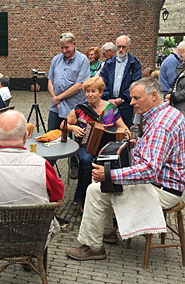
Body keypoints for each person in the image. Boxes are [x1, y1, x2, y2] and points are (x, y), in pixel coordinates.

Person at [66, 78, 185, 261]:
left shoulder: (161, 125)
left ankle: (94, 247)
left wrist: (109, 174)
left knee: (95, 188)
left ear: (154, 95)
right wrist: (137, 143)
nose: (131, 103)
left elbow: (149, 170)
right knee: (104, 183)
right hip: (165, 184)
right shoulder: (168, 113)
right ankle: (107, 232)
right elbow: (158, 151)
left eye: (136, 98)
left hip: (160, 190)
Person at [0, 110, 64, 274]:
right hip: (34, 237)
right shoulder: (42, 165)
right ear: (26, 136)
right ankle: (29, 257)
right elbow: (58, 196)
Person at [66, 77, 129, 213]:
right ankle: (83, 199)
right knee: (87, 160)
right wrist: (73, 128)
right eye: (87, 91)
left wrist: (126, 132)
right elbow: (64, 125)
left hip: (107, 147)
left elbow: (123, 127)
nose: (89, 94)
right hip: (86, 146)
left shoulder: (111, 109)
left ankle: (111, 198)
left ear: (101, 93)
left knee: (115, 160)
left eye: (93, 91)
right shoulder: (80, 109)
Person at [47, 32, 90, 179]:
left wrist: (59, 97)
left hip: (75, 107)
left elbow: (79, 85)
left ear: (74, 45)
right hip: (56, 107)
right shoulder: (56, 60)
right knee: (52, 136)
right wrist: (54, 97)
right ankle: (47, 167)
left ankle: (74, 165)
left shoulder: (83, 60)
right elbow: (50, 82)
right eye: (62, 48)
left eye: (67, 47)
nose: (64, 51)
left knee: (74, 138)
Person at [99, 35, 142, 127]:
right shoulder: (109, 63)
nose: (121, 49)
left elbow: (135, 84)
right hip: (108, 104)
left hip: (125, 105)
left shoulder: (134, 64)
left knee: (123, 132)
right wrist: (107, 98)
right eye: (119, 47)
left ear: (129, 47)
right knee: (107, 130)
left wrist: (123, 98)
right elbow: (102, 81)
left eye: (124, 47)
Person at [165, 50, 185, 116]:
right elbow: (175, 84)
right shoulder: (181, 68)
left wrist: (172, 96)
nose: (181, 55)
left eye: (184, 52)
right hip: (177, 106)